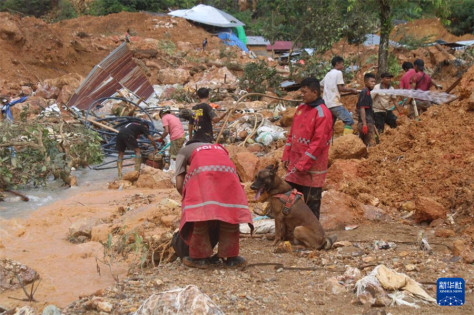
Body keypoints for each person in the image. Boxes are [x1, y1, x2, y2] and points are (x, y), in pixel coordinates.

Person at [175, 142, 253, 268]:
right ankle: (232, 257)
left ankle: (200, 258)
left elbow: (179, 183)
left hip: (204, 172)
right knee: (229, 212)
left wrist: (188, 200)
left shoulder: (183, 151)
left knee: (200, 212)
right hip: (229, 172)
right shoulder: (219, 148)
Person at [282, 77, 333, 219]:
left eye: (304, 92)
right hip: (295, 167)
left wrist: (303, 164)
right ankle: (291, 233)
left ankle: (313, 236)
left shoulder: (323, 113)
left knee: (311, 205)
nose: (302, 95)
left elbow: (318, 144)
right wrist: (286, 156)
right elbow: (291, 135)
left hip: (312, 170)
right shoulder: (300, 109)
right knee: (290, 202)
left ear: (315, 92)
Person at [321, 56, 358, 135]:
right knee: (349, 120)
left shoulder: (328, 74)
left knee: (330, 125)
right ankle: (346, 141)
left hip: (326, 104)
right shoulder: (338, 73)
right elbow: (340, 88)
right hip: (334, 103)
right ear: (337, 64)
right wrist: (351, 90)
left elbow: (321, 85)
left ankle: (326, 142)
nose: (343, 66)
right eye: (342, 64)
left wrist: (327, 92)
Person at [356, 73, 377, 147]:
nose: (373, 84)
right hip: (366, 123)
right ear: (365, 82)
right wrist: (364, 124)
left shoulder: (367, 92)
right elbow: (362, 108)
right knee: (368, 143)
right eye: (371, 82)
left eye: (374, 82)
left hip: (367, 122)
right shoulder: (365, 92)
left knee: (364, 143)